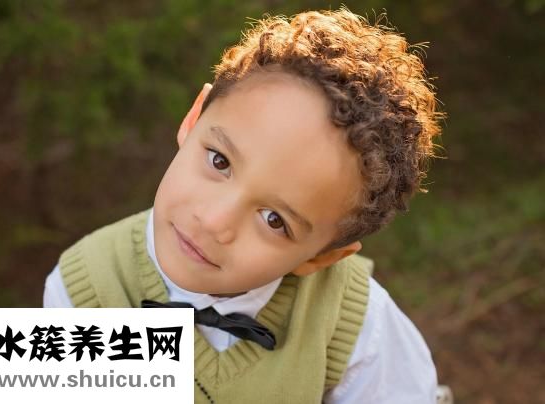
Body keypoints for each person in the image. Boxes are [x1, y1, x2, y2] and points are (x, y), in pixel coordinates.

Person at [44, 7, 442, 403]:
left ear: (320, 258)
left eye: (274, 220)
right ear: (193, 119)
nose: (214, 221)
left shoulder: (354, 325)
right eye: (219, 161)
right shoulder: (85, 291)